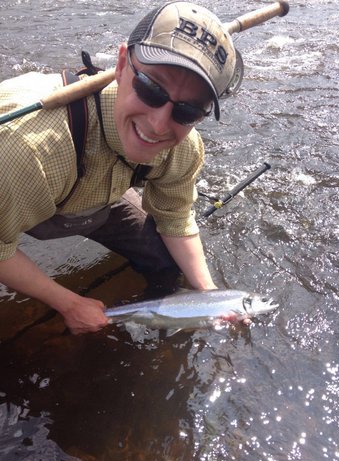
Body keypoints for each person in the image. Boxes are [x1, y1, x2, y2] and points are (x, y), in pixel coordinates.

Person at [0, 1, 237, 334]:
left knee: (168, 263)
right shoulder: (27, 147)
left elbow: (175, 217)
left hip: (90, 197)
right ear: (122, 63)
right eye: (152, 89)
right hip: (17, 183)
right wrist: (68, 302)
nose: (157, 124)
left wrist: (211, 295)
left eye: (186, 111)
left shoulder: (183, 149)